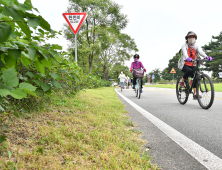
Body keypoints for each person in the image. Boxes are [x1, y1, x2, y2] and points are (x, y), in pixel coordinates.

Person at [178, 31, 213, 100]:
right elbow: (185, 53)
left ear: (195, 38)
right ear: (187, 38)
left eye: (193, 37)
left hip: (192, 63)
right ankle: (182, 81)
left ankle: (195, 94)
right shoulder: (184, 45)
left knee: (196, 76)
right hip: (184, 63)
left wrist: (206, 57)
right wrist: (187, 58)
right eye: (190, 37)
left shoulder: (196, 46)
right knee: (189, 71)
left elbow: (201, 52)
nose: (192, 38)